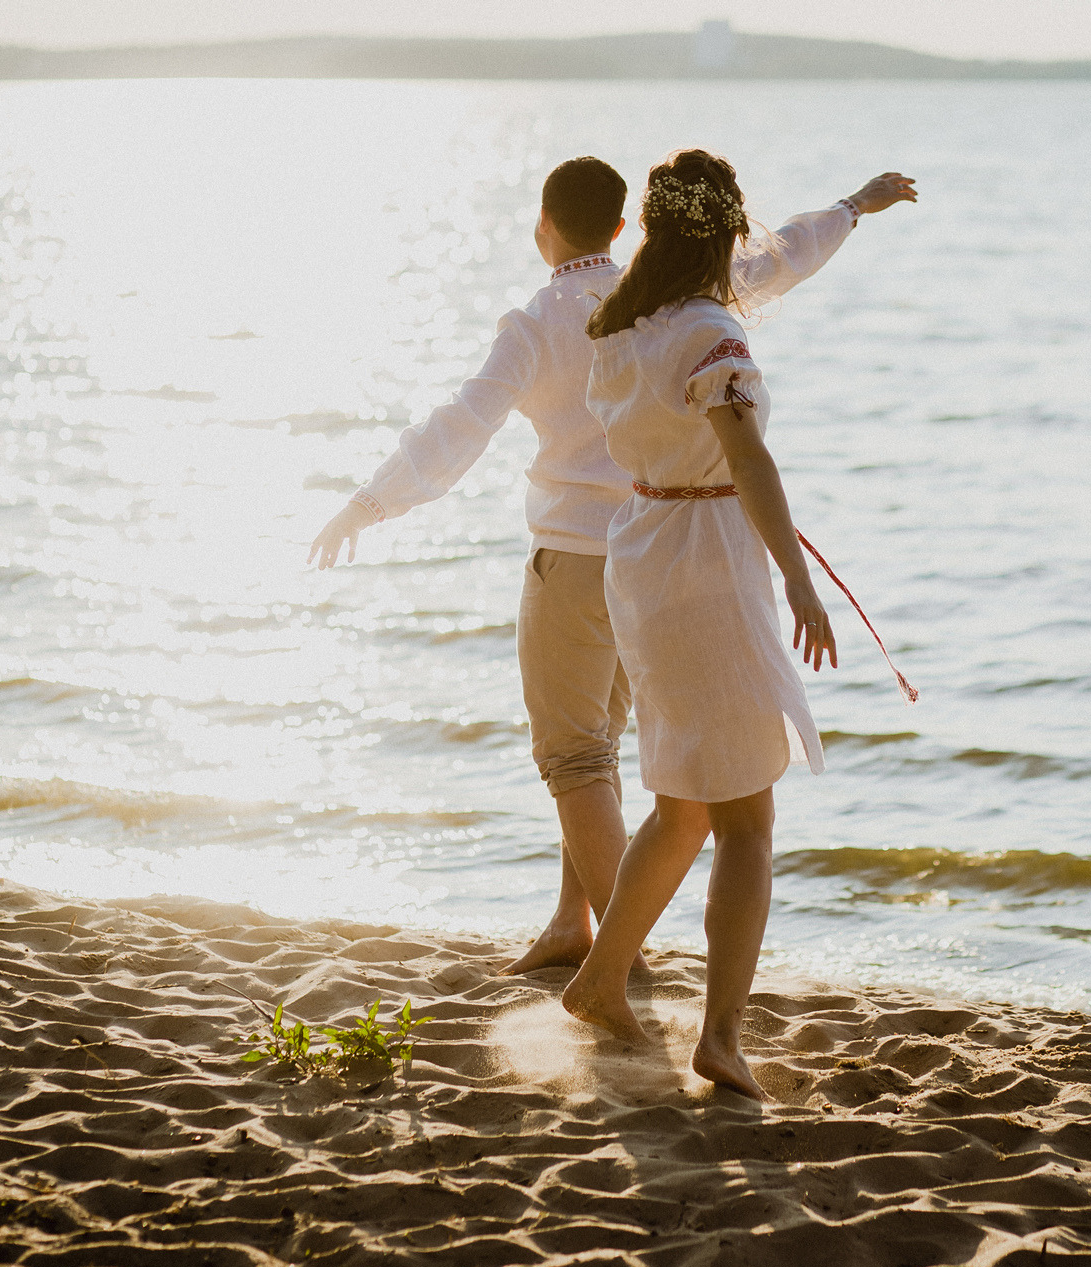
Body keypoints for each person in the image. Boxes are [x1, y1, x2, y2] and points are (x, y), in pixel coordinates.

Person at [308, 157, 917, 977]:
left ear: (543, 226)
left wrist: (370, 502)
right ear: (625, 227)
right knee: (609, 745)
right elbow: (779, 259)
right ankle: (574, 921)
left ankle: (624, 966)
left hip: (577, 559)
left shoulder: (548, 320)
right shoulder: (663, 294)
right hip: (658, 557)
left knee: (574, 759)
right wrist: (854, 205)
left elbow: (460, 424)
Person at [561, 149, 856, 1100]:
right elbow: (750, 461)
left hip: (644, 549)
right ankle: (721, 1038)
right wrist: (799, 582)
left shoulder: (623, 323)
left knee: (685, 800)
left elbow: (785, 262)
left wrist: (860, 205)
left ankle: (602, 979)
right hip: (706, 564)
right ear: (726, 230)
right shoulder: (709, 329)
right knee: (747, 820)